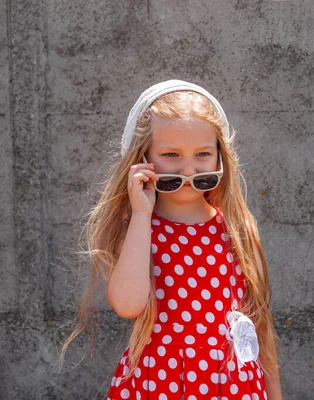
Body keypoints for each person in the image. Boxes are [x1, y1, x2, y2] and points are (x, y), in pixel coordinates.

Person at [56, 79, 284, 399]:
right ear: (143, 157)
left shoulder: (237, 228)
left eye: (202, 153)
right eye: (172, 154)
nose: (188, 167)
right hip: (160, 383)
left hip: (232, 385)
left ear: (220, 157)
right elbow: (127, 304)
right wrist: (140, 214)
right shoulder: (139, 228)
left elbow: (259, 326)